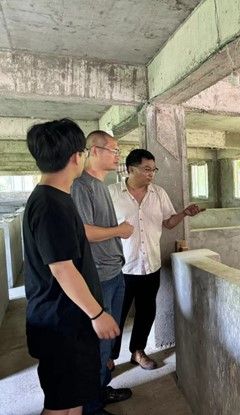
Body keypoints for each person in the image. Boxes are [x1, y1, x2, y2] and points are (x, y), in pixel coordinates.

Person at [23, 119, 120, 415]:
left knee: (71, 402)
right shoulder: (50, 205)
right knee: (61, 407)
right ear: (77, 157)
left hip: (66, 320)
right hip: (61, 324)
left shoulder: (54, 198)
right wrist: (97, 314)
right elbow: (62, 269)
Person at [109, 149, 204, 370]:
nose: (151, 174)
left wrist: (184, 213)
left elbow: (169, 223)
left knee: (146, 312)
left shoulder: (158, 193)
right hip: (121, 267)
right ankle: (109, 357)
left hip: (150, 265)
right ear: (131, 169)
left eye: (154, 169)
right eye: (146, 169)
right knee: (116, 315)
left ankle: (138, 352)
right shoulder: (111, 193)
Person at [71, 131, 134, 414]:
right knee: (98, 344)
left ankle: (101, 389)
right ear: (94, 151)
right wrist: (119, 230)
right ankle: (91, 406)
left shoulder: (101, 185)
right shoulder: (81, 186)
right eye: (114, 150)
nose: (118, 155)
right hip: (98, 275)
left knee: (109, 340)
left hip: (114, 271)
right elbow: (84, 232)